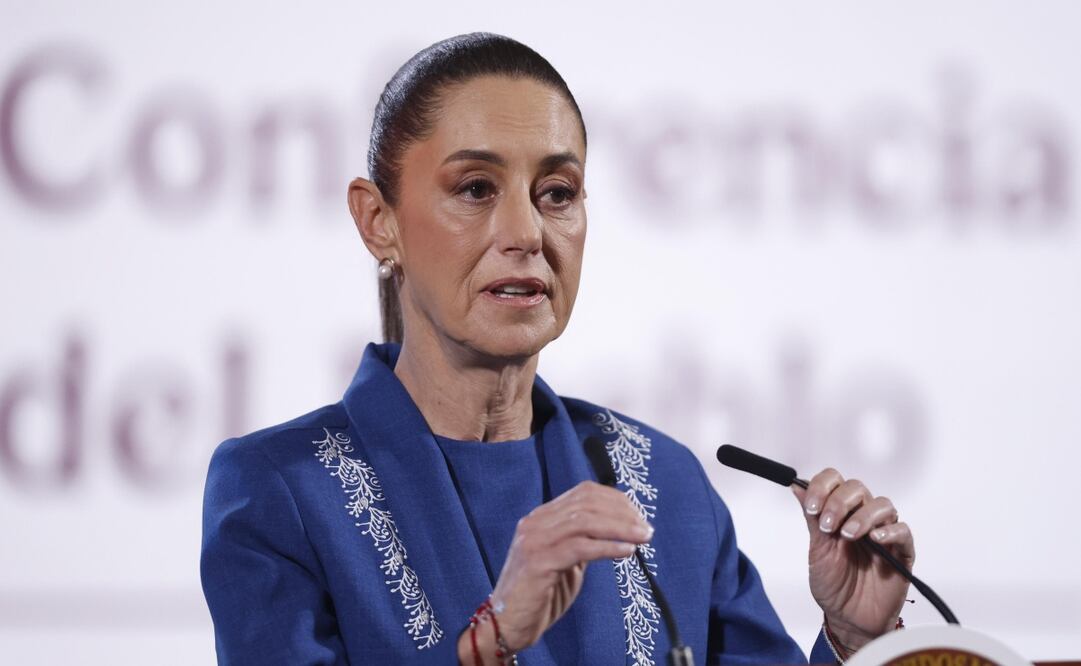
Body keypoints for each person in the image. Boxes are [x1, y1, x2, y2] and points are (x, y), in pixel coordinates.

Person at [200, 32, 915, 665]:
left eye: (557, 192)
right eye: (476, 188)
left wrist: (852, 638)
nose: (525, 233)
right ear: (377, 221)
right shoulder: (279, 490)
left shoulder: (665, 485)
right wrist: (494, 637)